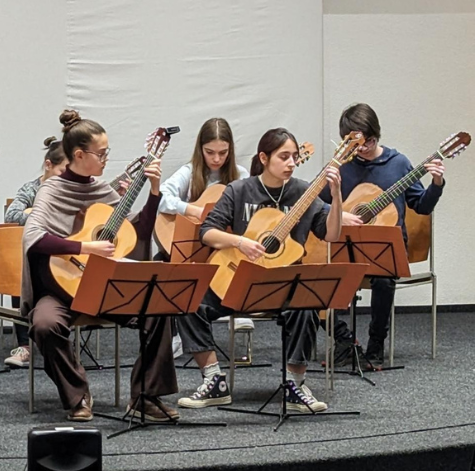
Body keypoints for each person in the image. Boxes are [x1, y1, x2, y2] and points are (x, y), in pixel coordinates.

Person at [22, 109, 178, 422]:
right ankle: (78, 396)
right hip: (60, 290)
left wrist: (155, 192)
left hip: (105, 287)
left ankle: (145, 397)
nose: (106, 158)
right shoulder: (51, 190)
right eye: (101, 153)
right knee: (44, 325)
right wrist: (84, 247)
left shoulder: (101, 190)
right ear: (79, 155)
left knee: (158, 308)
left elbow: (139, 233)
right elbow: (34, 238)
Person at [176, 128, 343, 413]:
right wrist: (240, 242)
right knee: (185, 298)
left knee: (307, 304)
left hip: (283, 284)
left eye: (294, 157)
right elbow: (207, 232)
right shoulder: (240, 190)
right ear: (264, 158)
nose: (291, 163)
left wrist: (336, 195)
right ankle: (214, 379)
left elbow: (332, 234)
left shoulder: (303, 192)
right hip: (238, 280)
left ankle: (295, 384)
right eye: (284, 156)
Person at [321, 103, 444, 368]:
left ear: (377, 135)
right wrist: (340, 215)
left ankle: (375, 346)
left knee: (384, 280)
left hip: (385, 251)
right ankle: (345, 340)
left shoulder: (398, 163)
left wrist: (436, 184)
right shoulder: (342, 166)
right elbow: (311, 203)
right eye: (357, 145)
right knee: (311, 281)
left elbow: (421, 206)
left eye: (370, 141)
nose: (363, 149)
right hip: (345, 249)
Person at [157, 118, 253, 356]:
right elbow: (160, 197)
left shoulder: (240, 175)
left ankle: (234, 309)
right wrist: (194, 210)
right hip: (194, 248)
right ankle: (178, 331)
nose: (217, 159)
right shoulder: (189, 172)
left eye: (223, 153)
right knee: (165, 264)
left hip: (225, 248)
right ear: (200, 149)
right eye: (210, 152)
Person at [1, 136, 68, 367]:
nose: (66, 176)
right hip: (34, 261)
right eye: (62, 170)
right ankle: (24, 347)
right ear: (48, 165)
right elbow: (11, 215)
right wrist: (38, 218)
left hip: (63, 262)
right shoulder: (31, 189)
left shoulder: (72, 192)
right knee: (20, 271)